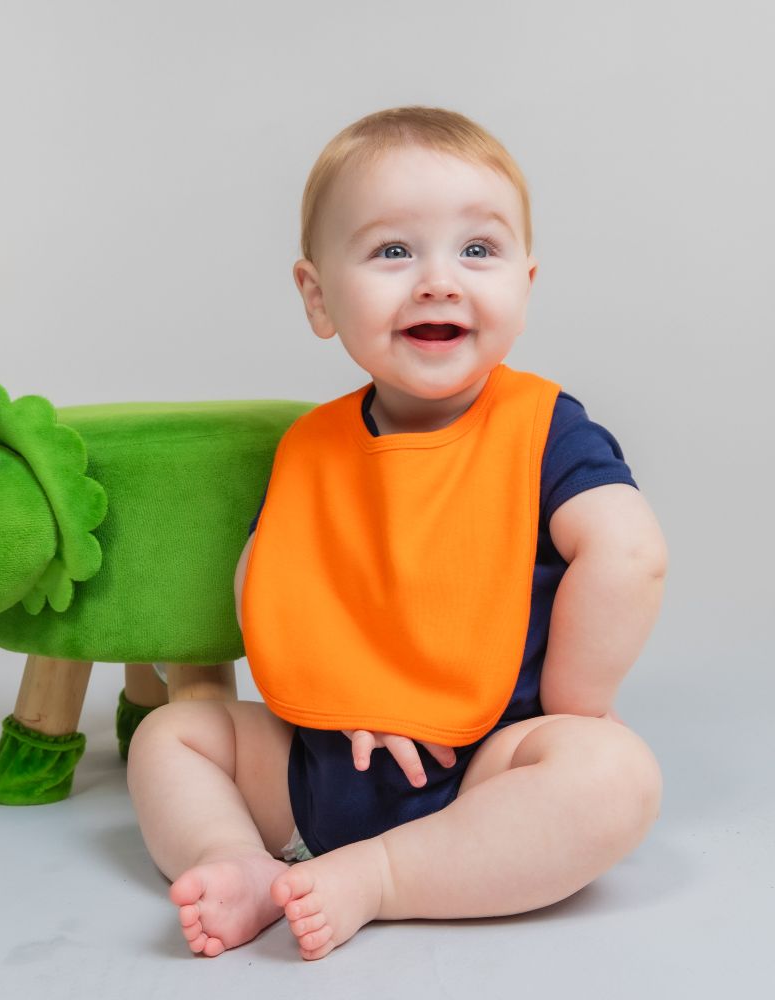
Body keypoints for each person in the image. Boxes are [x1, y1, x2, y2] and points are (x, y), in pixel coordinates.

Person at [126, 106, 667, 961]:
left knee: (610, 775)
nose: (438, 281)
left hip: (487, 768)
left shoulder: (544, 429)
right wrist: (344, 693)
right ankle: (233, 859)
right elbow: (269, 581)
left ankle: (383, 874)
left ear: (526, 283)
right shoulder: (313, 445)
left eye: (478, 250)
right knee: (176, 734)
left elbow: (627, 552)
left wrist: (574, 709)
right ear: (318, 297)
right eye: (392, 251)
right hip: (319, 758)